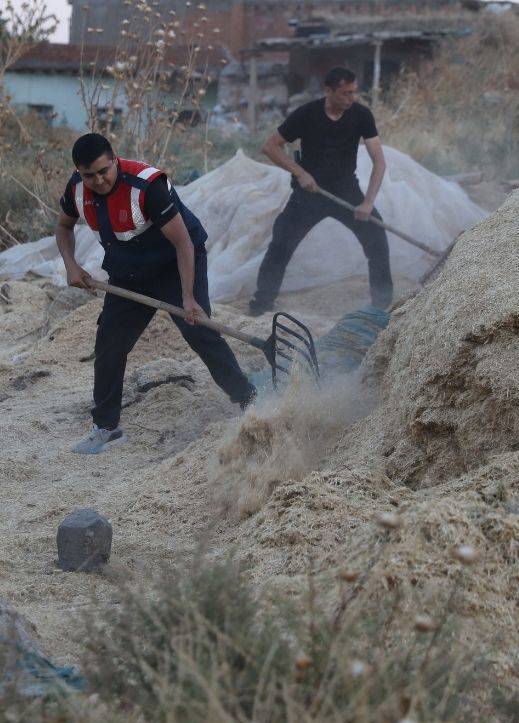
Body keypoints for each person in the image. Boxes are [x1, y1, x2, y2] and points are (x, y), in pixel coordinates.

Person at [55, 133, 256, 454]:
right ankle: (106, 426)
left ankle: (248, 398)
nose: (98, 180)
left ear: (115, 160)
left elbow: (183, 244)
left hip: (173, 263)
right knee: (109, 343)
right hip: (128, 269)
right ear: (79, 171)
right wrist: (71, 264)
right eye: (89, 175)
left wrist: (188, 298)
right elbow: (64, 226)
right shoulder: (77, 188)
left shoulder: (147, 186)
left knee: (199, 331)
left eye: (103, 171)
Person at [249, 66, 393, 316]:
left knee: (377, 241)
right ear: (329, 91)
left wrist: (368, 202)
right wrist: (300, 173)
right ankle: (260, 306)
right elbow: (270, 147)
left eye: (354, 92)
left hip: (347, 191)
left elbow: (379, 161)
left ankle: (382, 307)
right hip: (309, 195)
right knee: (280, 246)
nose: (352, 99)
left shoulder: (361, 115)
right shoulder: (306, 115)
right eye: (346, 93)